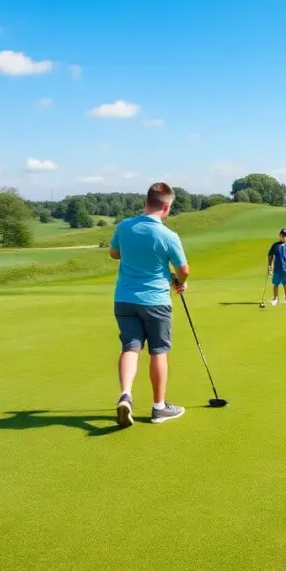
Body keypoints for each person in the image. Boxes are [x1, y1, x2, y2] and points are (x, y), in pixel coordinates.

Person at [109, 182, 190, 427]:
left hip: (124, 299)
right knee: (158, 351)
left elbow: (114, 253)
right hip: (155, 300)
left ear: (145, 203)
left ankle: (126, 395)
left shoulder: (124, 226)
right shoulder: (168, 235)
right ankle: (159, 408)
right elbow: (183, 269)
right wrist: (180, 282)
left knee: (130, 348)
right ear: (166, 207)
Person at [267, 228, 286, 306]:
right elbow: (270, 256)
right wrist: (269, 266)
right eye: (282, 235)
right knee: (276, 284)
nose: (283, 237)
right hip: (277, 269)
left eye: (285, 236)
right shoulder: (275, 245)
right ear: (280, 235)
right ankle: (275, 298)